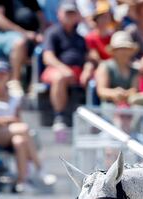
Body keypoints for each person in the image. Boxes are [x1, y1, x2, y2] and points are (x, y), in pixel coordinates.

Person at [0, 61, 41, 191]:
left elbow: (17, 120)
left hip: (10, 135)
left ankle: (22, 182)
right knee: (24, 129)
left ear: (8, 75)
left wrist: (7, 121)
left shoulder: (14, 97)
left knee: (20, 140)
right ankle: (39, 166)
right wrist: (8, 120)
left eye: (3, 73)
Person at [42, 1, 94, 131]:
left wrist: (87, 70)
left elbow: (88, 58)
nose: (70, 16)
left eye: (72, 13)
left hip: (76, 71)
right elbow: (47, 57)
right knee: (59, 77)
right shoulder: (52, 32)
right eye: (67, 13)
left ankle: (92, 120)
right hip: (56, 70)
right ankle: (59, 117)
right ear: (59, 14)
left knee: (97, 78)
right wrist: (63, 69)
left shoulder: (80, 37)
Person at [0, 0, 45, 89]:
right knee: (20, 42)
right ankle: (15, 82)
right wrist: (25, 33)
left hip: (32, 36)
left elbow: (40, 16)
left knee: (50, 45)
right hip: (4, 35)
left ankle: (35, 85)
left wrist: (42, 33)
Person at [95, 31, 140, 107]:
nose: (124, 52)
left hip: (130, 108)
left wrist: (126, 94)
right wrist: (114, 93)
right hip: (109, 107)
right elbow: (101, 90)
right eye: (121, 48)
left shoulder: (135, 70)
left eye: (126, 48)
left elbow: (135, 89)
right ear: (114, 51)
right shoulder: (105, 66)